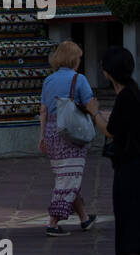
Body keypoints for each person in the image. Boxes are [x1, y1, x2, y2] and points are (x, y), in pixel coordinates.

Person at [39, 41, 101, 235]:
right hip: (71, 134)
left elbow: (43, 111)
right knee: (69, 178)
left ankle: (84, 218)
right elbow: (90, 104)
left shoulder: (48, 81)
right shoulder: (79, 79)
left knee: (67, 176)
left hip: (51, 132)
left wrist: (42, 137)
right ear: (74, 59)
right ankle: (53, 222)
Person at [100, 45, 140, 255]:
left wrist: (94, 112)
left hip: (131, 169)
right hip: (133, 164)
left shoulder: (126, 96)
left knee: (133, 228)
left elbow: (111, 131)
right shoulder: (132, 91)